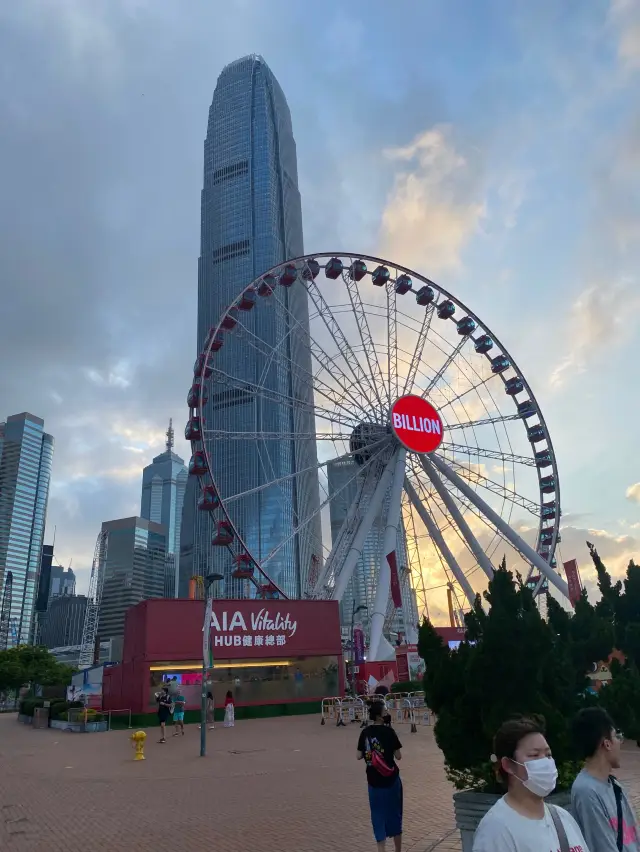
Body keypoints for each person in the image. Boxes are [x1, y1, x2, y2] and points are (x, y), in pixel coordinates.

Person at [472, 715, 589, 852]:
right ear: (508, 764)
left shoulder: (562, 817)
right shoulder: (496, 830)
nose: (545, 762)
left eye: (548, 755)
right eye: (534, 755)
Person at [571, 707, 639, 851]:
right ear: (606, 744)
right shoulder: (586, 792)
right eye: (616, 736)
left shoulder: (614, 785)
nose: (620, 742)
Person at [357, 700, 403, 852]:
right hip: (391, 780)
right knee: (395, 814)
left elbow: (358, 755)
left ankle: (381, 849)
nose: (387, 714)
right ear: (379, 716)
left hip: (374, 781)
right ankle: (398, 850)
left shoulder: (365, 732)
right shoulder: (390, 732)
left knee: (377, 816)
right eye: (385, 713)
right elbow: (399, 756)